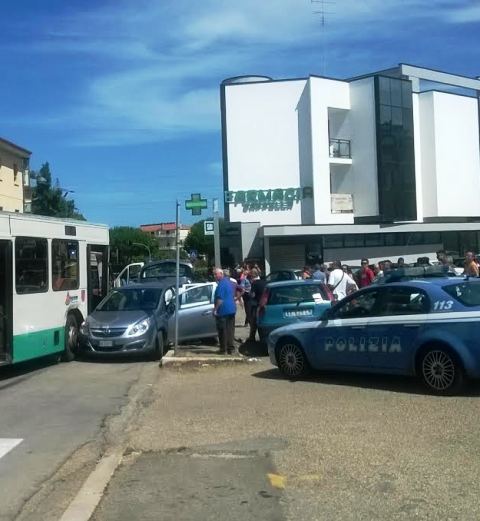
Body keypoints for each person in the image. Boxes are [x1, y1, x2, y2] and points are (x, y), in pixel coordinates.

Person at [213, 268, 237, 354]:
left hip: (223, 311)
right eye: (214, 274)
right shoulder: (228, 282)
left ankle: (223, 349)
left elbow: (220, 299)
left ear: (221, 274)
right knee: (230, 330)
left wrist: (215, 310)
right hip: (231, 309)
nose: (214, 276)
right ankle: (231, 349)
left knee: (222, 331)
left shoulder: (221, 284)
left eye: (216, 274)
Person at [249, 268, 266, 341]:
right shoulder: (264, 282)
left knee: (254, 322)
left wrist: (249, 294)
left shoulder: (254, 283)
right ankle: (263, 338)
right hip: (265, 304)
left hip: (257, 305)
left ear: (253, 275)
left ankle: (252, 338)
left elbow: (253, 295)